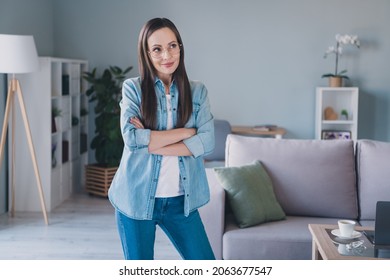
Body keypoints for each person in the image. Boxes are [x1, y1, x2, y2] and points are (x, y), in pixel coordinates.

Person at [108, 17, 215, 260]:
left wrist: (153, 141)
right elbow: (133, 140)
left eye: (172, 46)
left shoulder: (197, 91)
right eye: (157, 49)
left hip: (181, 202)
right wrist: (188, 133)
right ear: (146, 53)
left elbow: (207, 142)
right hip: (135, 199)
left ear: (180, 48)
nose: (166, 55)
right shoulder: (133, 89)